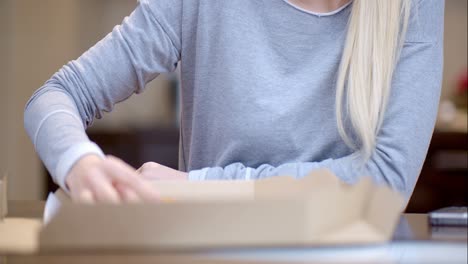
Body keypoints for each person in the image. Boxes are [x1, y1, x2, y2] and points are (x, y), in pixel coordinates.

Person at [24, 0, 445, 204]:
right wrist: (80, 162)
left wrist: (199, 187)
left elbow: (388, 179)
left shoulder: (410, 5)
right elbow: (57, 96)